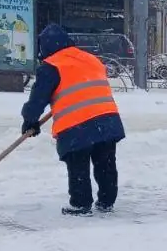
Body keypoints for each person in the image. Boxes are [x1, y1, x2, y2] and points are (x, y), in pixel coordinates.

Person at [20, 24, 125, 215]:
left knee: (78, 165)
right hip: (107, 120)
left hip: (77, 125)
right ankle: (106, 201)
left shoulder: (51, 66)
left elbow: (38, 99)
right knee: (106, 163)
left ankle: (80, 203)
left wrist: (30, 120)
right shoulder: (91, 59)